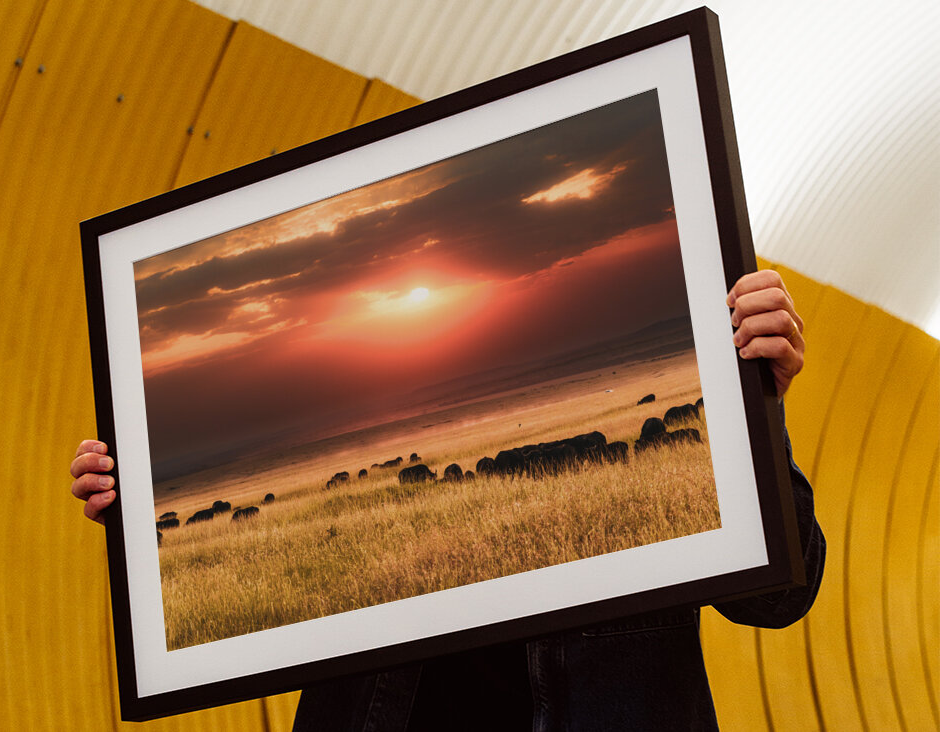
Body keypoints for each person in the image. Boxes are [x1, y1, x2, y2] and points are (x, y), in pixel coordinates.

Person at [71, 270, 824, 731]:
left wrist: (754, 401)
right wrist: (145, 514)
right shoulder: (350, 516)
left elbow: (781, 597)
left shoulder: (695, 408)